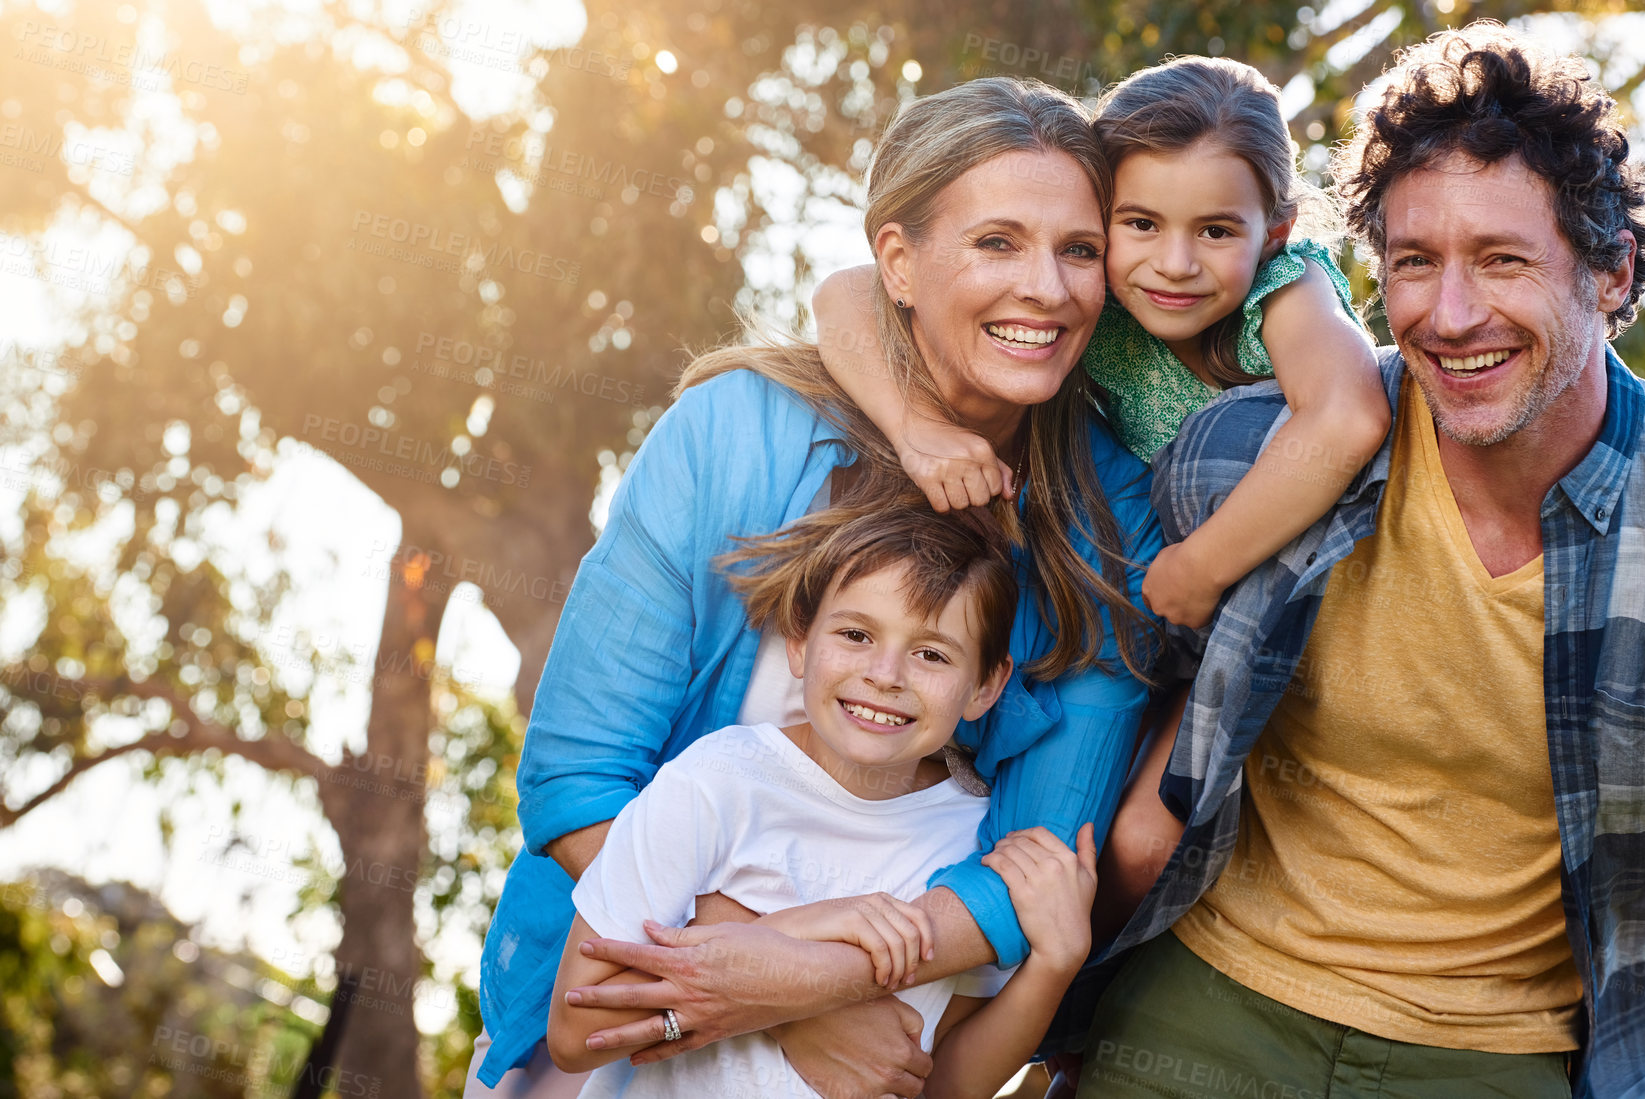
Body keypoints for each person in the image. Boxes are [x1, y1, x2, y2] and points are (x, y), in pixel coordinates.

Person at [1063, 23, 1645, 1099]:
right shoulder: (1237, 459)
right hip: (1206, 998)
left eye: (1502, 260)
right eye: (1415, 264)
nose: (1450, 316)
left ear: (1612, 272)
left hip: (1493, 1056)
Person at [467, 76, 1163, 1099]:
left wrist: (809, 991)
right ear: (899, 262)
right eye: (996, 243)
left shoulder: (1110, 523)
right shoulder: (732, 434)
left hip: (893, 1056)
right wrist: (794, 993)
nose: (1049, 291)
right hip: (620, 1024)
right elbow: (578, 783)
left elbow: (1035, 866)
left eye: (1079, 250)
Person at [810, 56, 1389, 925]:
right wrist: (911, 426)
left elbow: (1345, 420)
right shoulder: (1086, 280)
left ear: (1276, 229)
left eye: (1217, 231)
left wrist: (1201, 564)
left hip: (1253, 605)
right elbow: (846, 290)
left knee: (1140, 845)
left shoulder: (1286, 292)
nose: (1175, 262)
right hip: (1140, 597)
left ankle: (1069, 1027)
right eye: (1140, 223)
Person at [545, 504, 1098, 1098]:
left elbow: (934, 1085)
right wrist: (796, 940)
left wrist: (1053, 965)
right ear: (800, 641)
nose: (886, 675)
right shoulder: (716, 783)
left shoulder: (971, 840)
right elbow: (576, 1034)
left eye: (932, 654)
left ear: (986, 685)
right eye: (856, 635)